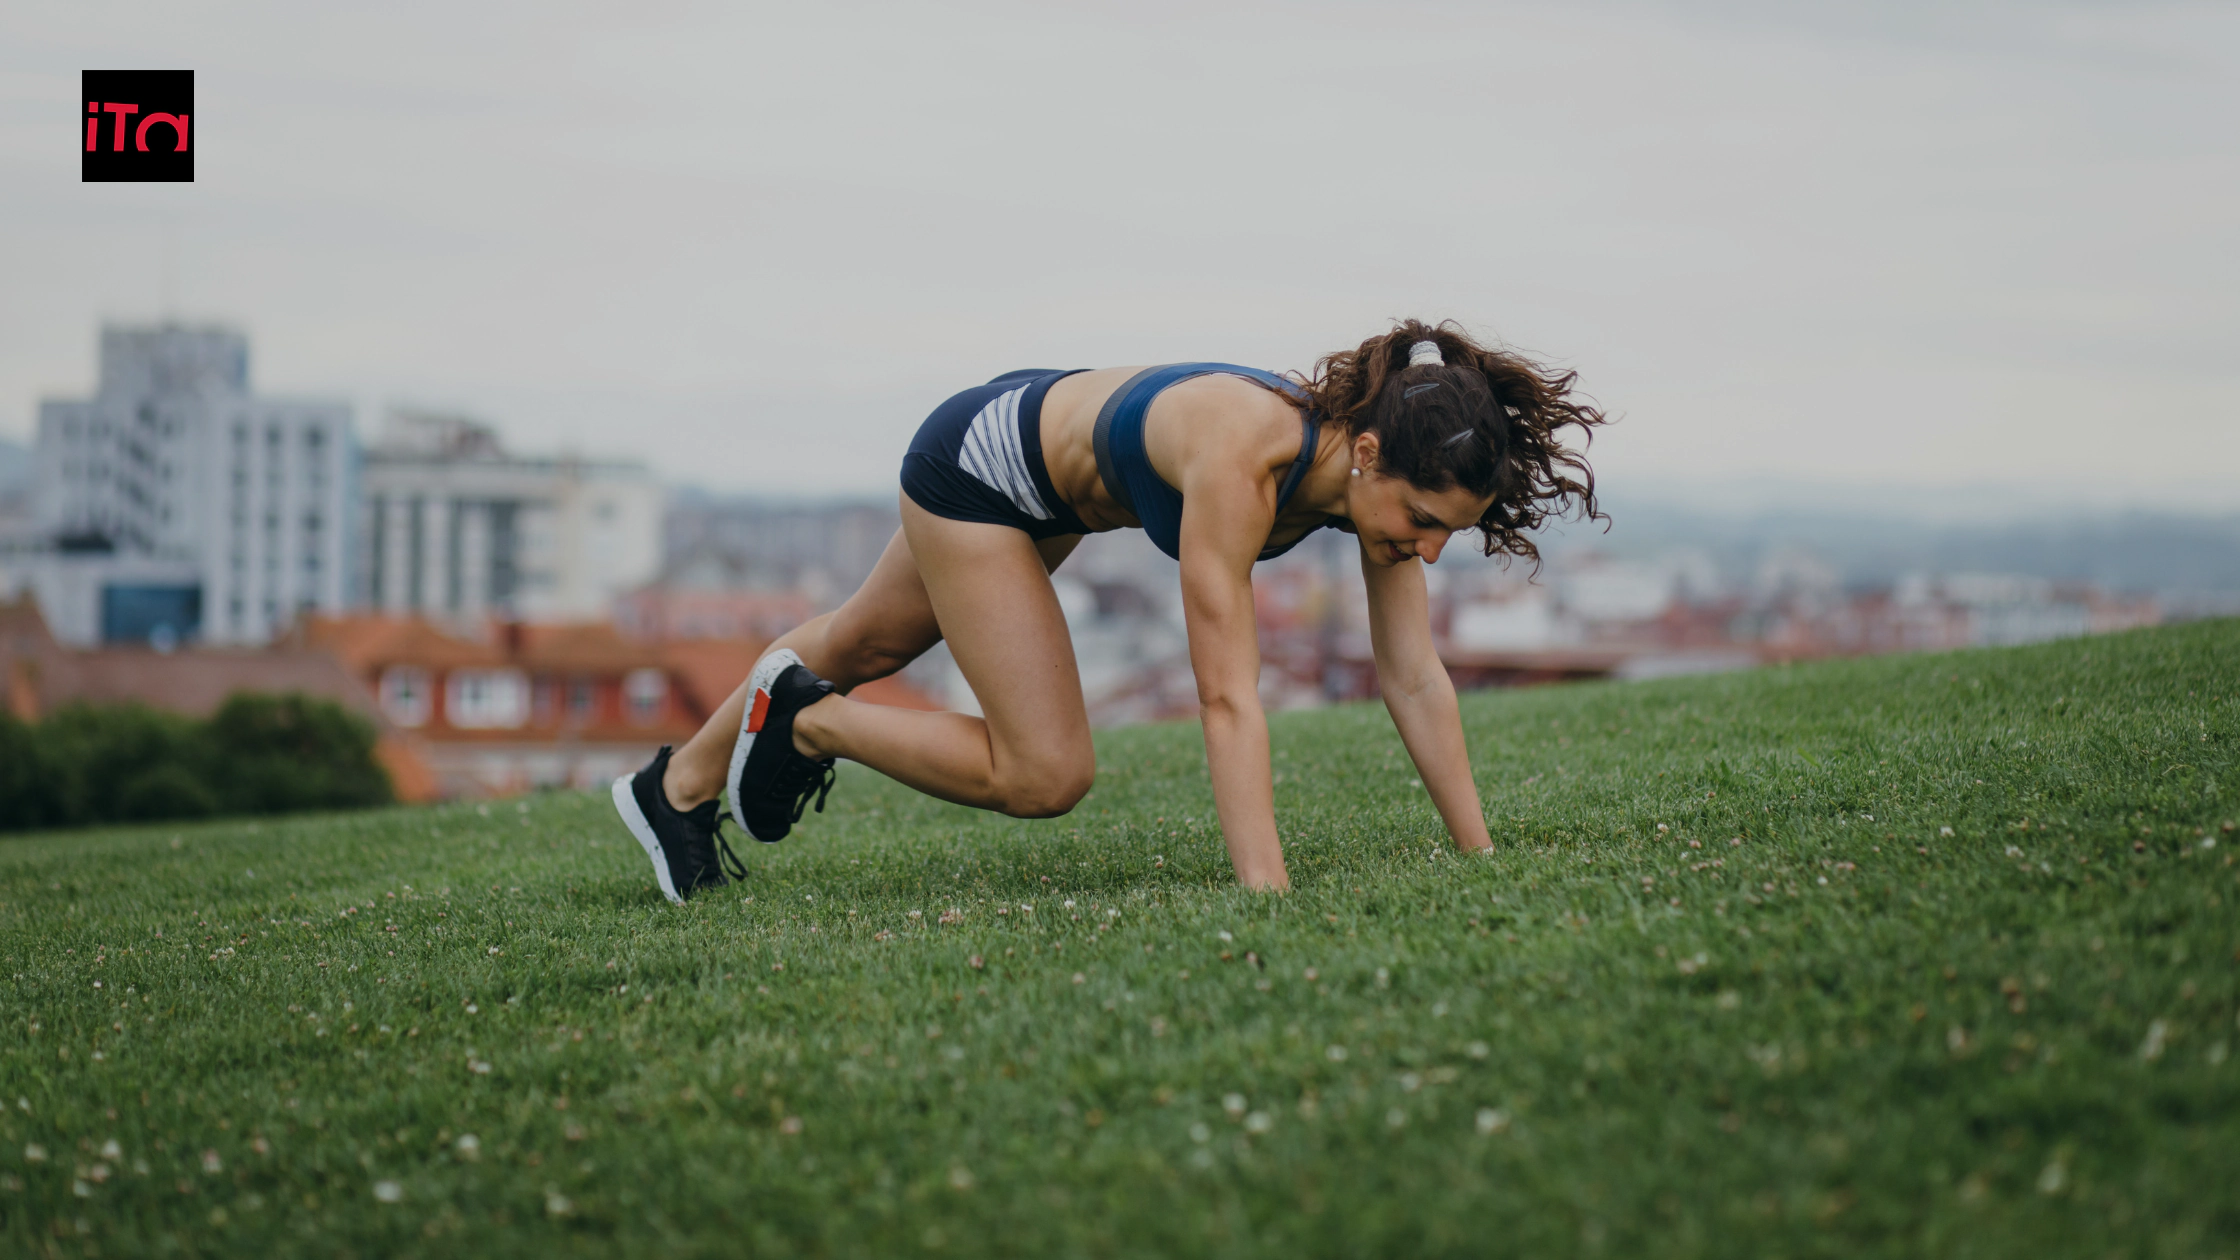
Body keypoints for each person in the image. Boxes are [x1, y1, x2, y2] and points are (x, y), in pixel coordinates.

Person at [611, 320, 1606, 902]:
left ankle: (676, 791)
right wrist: (1269, 897)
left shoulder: (1373, 488)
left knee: (857, 638)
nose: (1425, 550)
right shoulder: (1246, 458)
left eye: (1448, 535)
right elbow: (1227, 697)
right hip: (981, 467)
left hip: (1036, 469)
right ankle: (809, 719)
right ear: (1371, 455)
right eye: (1424, 522)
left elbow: (1413, 675)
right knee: (1045, 772)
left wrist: (1478, 859)